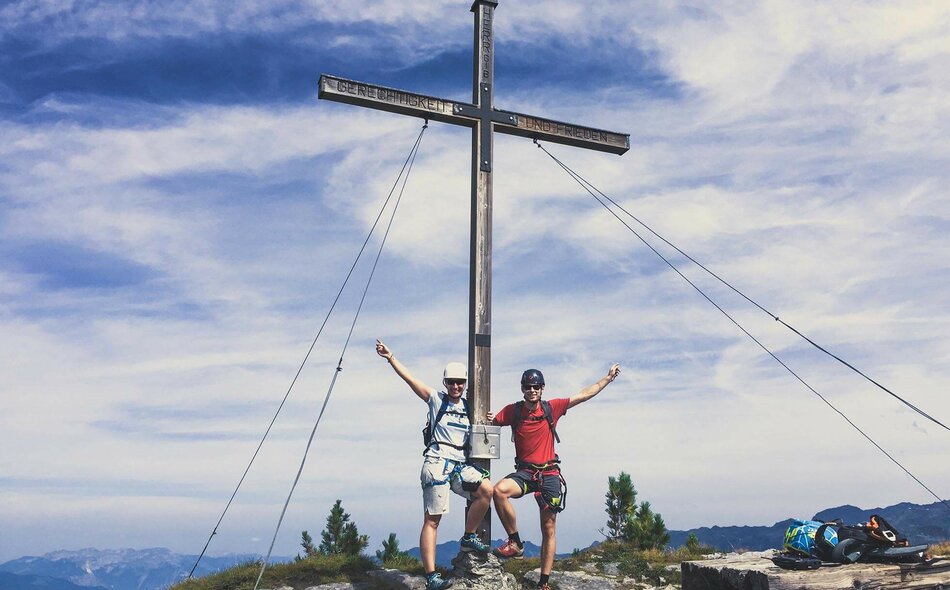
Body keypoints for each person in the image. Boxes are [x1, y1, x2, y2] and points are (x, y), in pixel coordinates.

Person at [488, 364, 621, 590]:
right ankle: (515, 542)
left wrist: (607, 379)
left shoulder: (553, 408)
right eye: (528, 386)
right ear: (522, 389)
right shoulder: (513, 411)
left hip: (549, 473)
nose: (532, 390)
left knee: (548, 528)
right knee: (499, 491)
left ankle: (544, 582)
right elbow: (490, 420)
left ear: (542, 389)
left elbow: (583, 395)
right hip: (526, 472)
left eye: (536, 386)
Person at [376, 339, 494, 590]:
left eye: (459, 382)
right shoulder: (435, 399)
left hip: (460, 465)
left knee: (486, 490)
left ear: (464, 384)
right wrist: (391, 357)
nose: (455, 386)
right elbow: (410, 379)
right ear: (445, 383)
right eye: (451, 382)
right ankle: (431, 576)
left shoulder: (470, 405)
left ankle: (469, 536)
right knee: (433, 519)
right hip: (437, 462)